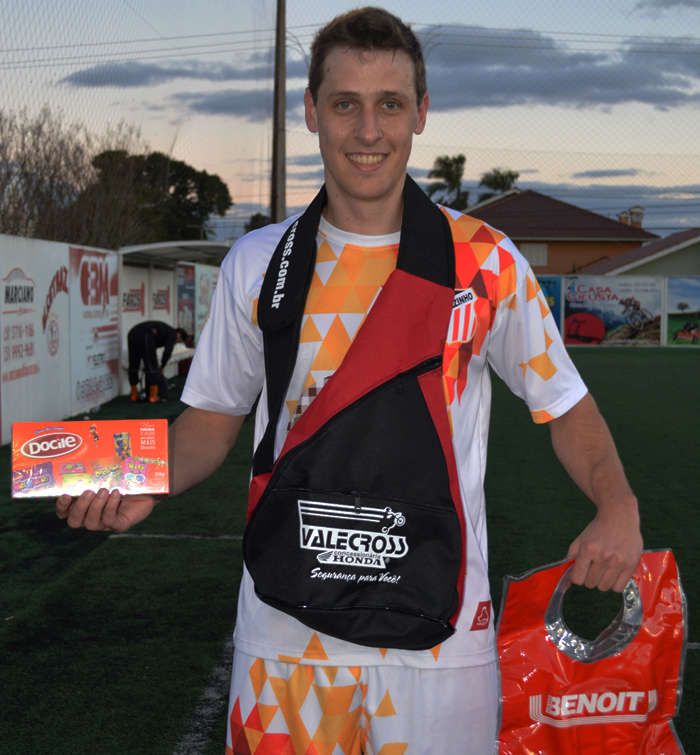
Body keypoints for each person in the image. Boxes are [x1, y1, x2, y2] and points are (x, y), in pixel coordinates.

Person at [57, 8, 642, 753]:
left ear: (421, 113)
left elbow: (564, 406)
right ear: (311, 111)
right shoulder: (256, 264)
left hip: (443, 642)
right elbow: (208, 425)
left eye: (389, 104)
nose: (368, 130)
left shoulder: (486, 262)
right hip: (285, 639)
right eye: (345, 104)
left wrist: (617, 502)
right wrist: (138, 482)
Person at [126, 321, 188, 402]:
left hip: (132, 333)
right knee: (152, 367)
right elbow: (167, 352)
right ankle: (153, 396)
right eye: (178, 341)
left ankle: (134, 395)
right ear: (179, 335)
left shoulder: (164, 330)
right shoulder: (172, 334)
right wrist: (162, 366)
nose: (175, 343)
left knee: (133, 364)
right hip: (145, 335)